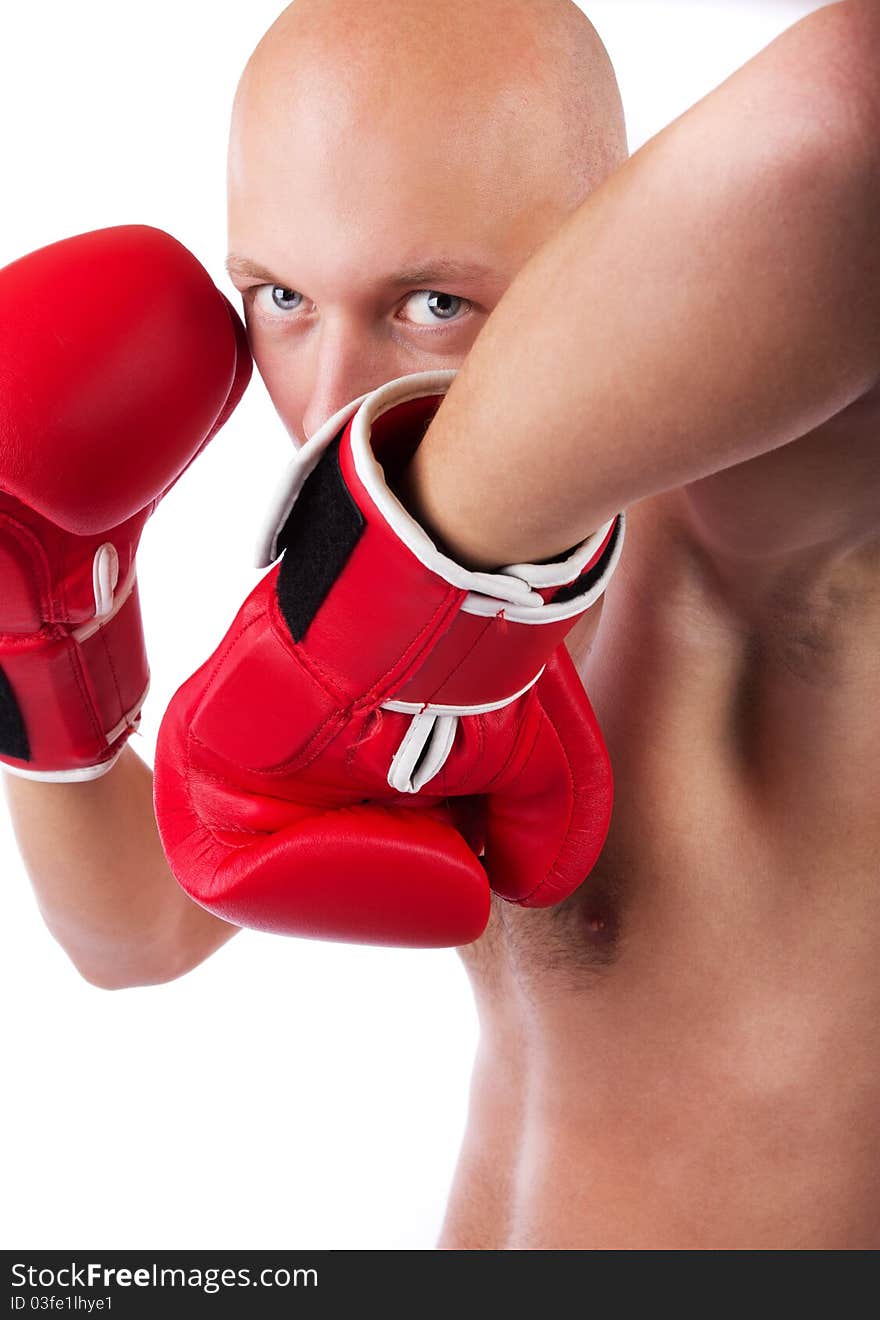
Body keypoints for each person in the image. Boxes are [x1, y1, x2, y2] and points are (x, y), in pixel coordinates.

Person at [4, 0, 879, 1248]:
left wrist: (405, 567)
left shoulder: (762, 519)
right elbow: (137, 931)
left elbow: (854, 117)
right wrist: (41, 641)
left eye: (430, 303)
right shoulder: (377, 572)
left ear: (617, 236)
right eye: (284, 296)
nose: (330, 394)